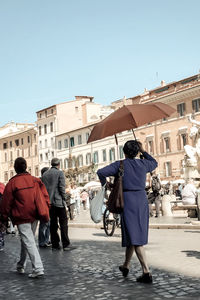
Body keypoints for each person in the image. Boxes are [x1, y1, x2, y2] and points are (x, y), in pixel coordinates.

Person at [97, 140, 157, 283]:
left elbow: (100, 172)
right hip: (142, 200)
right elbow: (154, 162)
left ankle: (146, 272)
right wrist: (143, 151)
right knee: (133, 234)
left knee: (135, 237)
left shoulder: (120, 164)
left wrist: (107, 185)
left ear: (124, 151)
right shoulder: (144, 164)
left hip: (128, 200)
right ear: (137, 152)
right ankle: (126, 265)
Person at [0, 157, 48, 278]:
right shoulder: (35, 180)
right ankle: (21, 265)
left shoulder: (12, 183)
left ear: (15, 169)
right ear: (26, 167)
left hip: (21, 216)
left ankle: (38, 268)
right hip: (35, 214)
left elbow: (6, 203)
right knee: (26, 240)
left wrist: (3, 219)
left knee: (28, 241)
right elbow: (45, 197)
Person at [42, 158, 75, 251]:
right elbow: (61, 187)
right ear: (59, 165)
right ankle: (66, 244)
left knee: (53, 224)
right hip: (58, 202)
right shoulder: (59, 173)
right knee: (63, 223)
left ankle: (55, 244)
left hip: (49, 203)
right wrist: (65, 198)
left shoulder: (45, 174)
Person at [38, 167, 51, 248]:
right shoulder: (40, 182)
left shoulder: (44, 181)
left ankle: (46, 240)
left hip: (46, 205)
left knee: (48, 224)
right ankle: (42, 242)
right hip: (43, 205)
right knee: (44, 224)